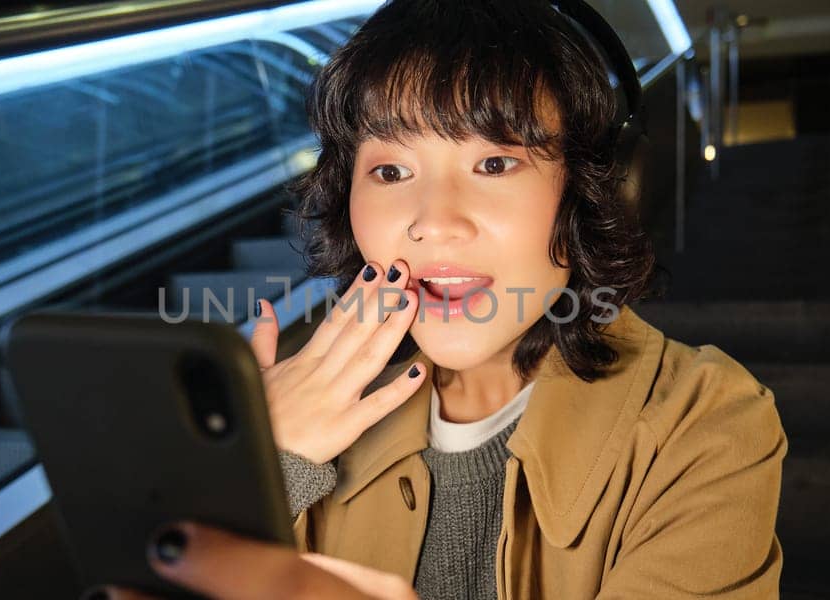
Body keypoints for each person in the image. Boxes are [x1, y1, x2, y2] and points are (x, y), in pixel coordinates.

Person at [103, 0, 786, 598]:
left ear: (588, 189)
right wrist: (267, 468)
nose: (433, 220)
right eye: (391, 170)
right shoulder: (291, 399)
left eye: (494, 163)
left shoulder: (706, 420)